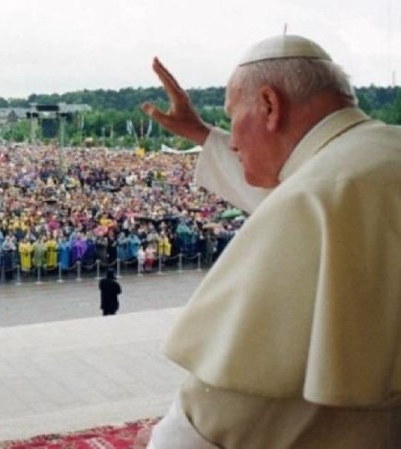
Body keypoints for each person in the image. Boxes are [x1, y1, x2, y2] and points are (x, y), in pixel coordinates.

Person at [141, 35, 401, 448]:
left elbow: (228, 410)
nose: (233, 141)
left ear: (269, 105)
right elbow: (299, 190)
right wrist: (202, 135)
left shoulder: (315, 196)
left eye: (231, 117)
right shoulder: (377, 154)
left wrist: (162, 439)